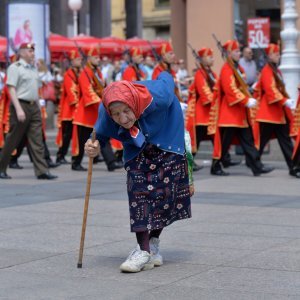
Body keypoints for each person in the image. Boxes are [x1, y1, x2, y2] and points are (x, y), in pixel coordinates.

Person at [85, 71, 192, 273]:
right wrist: (92, 147)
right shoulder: (107, 111)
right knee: (139, 195)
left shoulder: (158, 96)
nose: (122, 118)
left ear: (133, 104)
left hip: (167, 139)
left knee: (165, 198)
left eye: (126, 111)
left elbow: (166, 78)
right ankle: (142, 251)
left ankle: (153, 244)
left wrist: (163, 73)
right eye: (116, 114)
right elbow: (97, 137)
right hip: (137, 149)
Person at [210, 40, 273, 176]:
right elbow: (230, 90)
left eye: (239, 51)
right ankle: (215, 166)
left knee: (248, 141)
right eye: (236, 51)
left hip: (239, 114)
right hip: (230, 115)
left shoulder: (236, 68)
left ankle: (257, 166)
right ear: (228, 53)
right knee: (224, 143)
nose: (239, 53)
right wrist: (245, 100)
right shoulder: (227, 69)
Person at [0, 43, 57, 179]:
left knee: (37, 140)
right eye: (30, 51)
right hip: (21, 105)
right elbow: (11, 89)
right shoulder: (15, 68)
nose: (33, 53)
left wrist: (38, 106)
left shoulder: (33, 68)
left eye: (33, 51)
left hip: (33, 106)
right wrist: (18, 109)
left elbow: (36, 90)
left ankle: (42, 171)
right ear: (22, 52)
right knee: (12, 139)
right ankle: (1, 168)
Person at [72, 47, 121, 172]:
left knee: (101, 135)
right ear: (89, 59)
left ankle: (111, 162)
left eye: (98, 57)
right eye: (95, 57)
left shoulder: (97, 72)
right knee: (82, 139)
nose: (98, 60)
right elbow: (87, 92)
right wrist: (103, 103)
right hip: (86, 113)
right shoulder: (85, 73)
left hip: (96, 111)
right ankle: (76, 162)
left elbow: (102, 88)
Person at [255, 43, 297, 178]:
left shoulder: (275, 70)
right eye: (276, 54)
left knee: (285, 141)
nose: (279, 56)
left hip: (277, 112)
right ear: (270, 55)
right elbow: (270, 90)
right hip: (268, 113)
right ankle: (255, 164)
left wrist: (286, 100)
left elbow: (279, 89)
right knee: (261, 142)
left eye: (279, 54)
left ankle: (294, 167)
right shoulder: (267, 70)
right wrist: (284, 100)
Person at [56, 49, 82, 164]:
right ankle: (60, 155)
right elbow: (71, 91)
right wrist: (77, 104)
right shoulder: (68, 74)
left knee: (73, 134)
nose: (80, 61)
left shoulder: (79, 72)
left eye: (80, 59)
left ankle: (65, 155)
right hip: (69, 110)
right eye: (77, 59)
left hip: (76, 109)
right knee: (67, 134)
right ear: (72, 61)